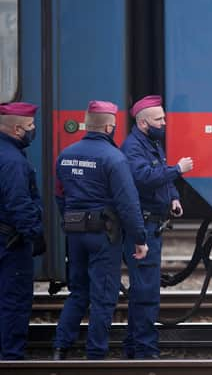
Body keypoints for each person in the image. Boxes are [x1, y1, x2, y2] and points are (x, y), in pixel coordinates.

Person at [53, 100, 149, 360]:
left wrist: (73, 219)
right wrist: (140, 238)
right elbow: (128, 204)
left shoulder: (66, 154)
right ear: (109, 127)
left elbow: (60, 195)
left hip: (74, 232)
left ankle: (60, 347)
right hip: (103, 234)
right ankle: (95, 353)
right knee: (103, 296)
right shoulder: (114, 158)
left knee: (78, 291)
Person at [120, 95, 194, 359]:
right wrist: (178, 170)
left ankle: (133, 346)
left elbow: (159, 176)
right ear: (143, 123)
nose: (164, 123)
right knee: (146, 291)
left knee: (143, 288)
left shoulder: (150, 143)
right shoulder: (133, 148)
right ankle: (145, 350)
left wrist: (173, 196)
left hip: (153, 223)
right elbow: (144, 178)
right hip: (144, 226)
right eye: (159, 119)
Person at [0, 102, 45, 360]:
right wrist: (34, 234)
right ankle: (12, 357)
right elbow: (19, 202)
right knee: (14, 300)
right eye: (30, 126)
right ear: (17, 129)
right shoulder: (13, 161)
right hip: (11, 241)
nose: (33, 129)